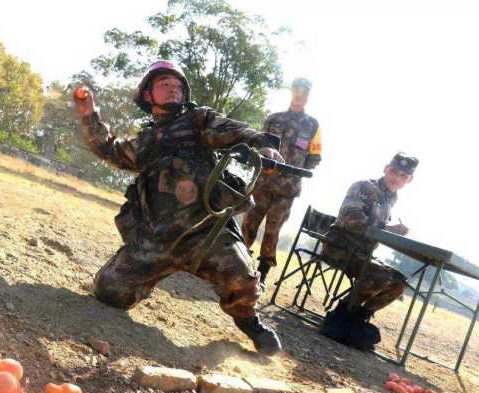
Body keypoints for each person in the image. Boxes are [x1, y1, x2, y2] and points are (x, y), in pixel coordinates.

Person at [74, 60, 285, 355]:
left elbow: (235, 132)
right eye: (165, 84)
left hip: (206, 235)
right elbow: (110, 150)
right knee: (109, 290)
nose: (173, 89)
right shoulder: (146, 141)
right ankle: (146, 280)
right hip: (157, 240)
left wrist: (262, 146)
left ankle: (251, 324)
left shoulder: (199, 121)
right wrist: (88, 115)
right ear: (148, 95)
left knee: (242, 281)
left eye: (177, 86)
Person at [319, 153, 419, 350]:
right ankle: (341, 315)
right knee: (378, 275)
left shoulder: (392, 199)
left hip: (361, 255)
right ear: (385, 168)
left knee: (399, 282)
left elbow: (375, 231)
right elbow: (351, 219)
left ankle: (357, 319)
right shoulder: (365, 187)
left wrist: (389, 231)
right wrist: (388, 230)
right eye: (394, 171)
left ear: (409, 180)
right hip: (340, 248)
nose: (396, 178)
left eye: (403, 176)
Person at [241, 77, 322, 283]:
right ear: (292, 91)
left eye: (304, 92)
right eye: (297, 90)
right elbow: (259, 145)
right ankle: (238, 261)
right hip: (262, 182)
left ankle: (263, 272)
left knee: (273, 229)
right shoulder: (273, 119)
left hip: (287, 189)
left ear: (308, 96)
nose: (299, 94)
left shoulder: (313, 125)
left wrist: (295, 172)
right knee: (250, 221)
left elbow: (315, 157)